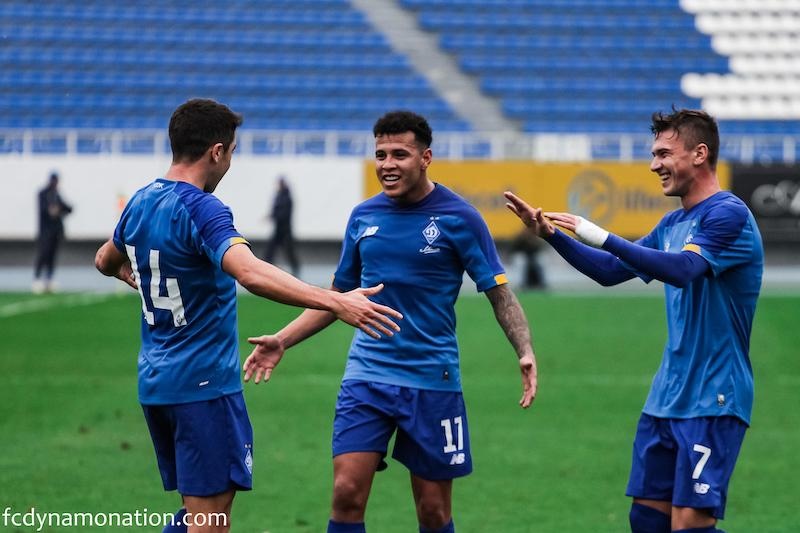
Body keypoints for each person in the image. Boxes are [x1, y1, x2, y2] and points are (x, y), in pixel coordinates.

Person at [94, 98, 402, 533]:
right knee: (211, 521)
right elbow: (251, 273)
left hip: (157, 382)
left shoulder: (141, 201)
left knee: (197, 512)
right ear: (217, 151)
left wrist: (130, 271)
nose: (229, 163)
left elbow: (104, 259)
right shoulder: (202, 208)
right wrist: (336, 301)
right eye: (232, 152)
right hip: (203, 386)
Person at [243, 110, 538, 533]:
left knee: (433, 511)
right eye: (380, 154)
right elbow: (337, 299)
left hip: (432, 379)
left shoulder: (460, 218)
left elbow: (500, 293)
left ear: (426, 158)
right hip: (367, 376)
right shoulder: (363, 216)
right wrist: (283, 339)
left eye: (400, 154)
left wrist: (524, 350)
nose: (387, 164)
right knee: (346, 492)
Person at [505, 108, 763, 533]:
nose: (653, 164)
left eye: (663, 153)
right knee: (646, 519)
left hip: (715, 395)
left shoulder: (728, 214)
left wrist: (602, 235)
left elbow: (684, 270)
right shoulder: (673, 222)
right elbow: (609, 271)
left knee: (689, 524)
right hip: (666, 396)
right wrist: (551, 235)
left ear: (700, 154)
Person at [33, 171, 72, 293]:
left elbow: (67, 208)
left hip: (56, 232)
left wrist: (58, 210)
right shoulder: (43, 194)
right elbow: (45, 210)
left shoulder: (56, 195)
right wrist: (53, 210)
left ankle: (49, 279)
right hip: (45, 232)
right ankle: (37, 278)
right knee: (43, 254)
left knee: (52, 256)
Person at [263, 176, 300, 276]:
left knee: (289, 252)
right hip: (278, 230)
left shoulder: (287, 198)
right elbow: (276, 210)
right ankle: (264, 268)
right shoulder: (279, 196)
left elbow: (283, 214)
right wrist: (271, 215)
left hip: (285, 230)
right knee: (270, 251)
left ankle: (296, 269)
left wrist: (273, 216)